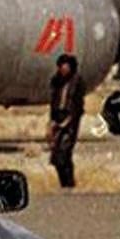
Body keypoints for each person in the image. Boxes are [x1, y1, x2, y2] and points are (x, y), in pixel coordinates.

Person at [47, 52, 85, 189]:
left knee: (65, 152)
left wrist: (69, 121)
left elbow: (78, 105)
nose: (63, 69)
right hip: (58, 117)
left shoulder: (77, 82)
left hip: (71, 121)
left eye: (66, 66)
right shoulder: (56, 81)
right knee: (55, 155)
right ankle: (64, 182)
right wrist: (52, 122)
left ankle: (69, 183)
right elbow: (53, 102)